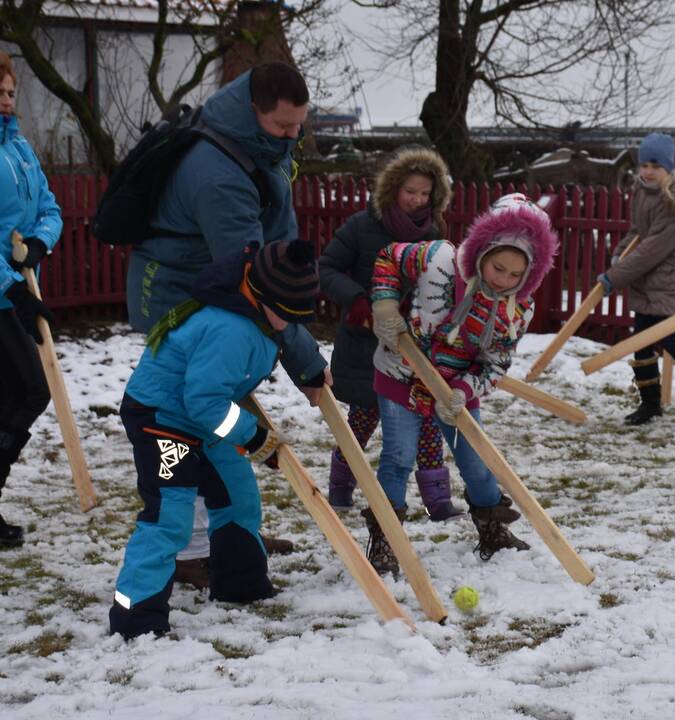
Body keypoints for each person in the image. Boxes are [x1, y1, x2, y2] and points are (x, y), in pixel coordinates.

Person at [124, 62, 324, 585]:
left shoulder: (259, 144)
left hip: (223, 293)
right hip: (180, 299)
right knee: (188, 422)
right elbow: (260, 282)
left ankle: (234, 534)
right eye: (283, 126)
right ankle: (189, 549)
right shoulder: (215, 174)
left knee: (214, 421)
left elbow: (275, 254)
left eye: (298, 124)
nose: (292, 135)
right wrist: (304, 361)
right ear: (253, 111)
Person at [109, 239, 319, 639]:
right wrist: (254, 437)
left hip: (200, 419)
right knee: (170, 514)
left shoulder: (256, 319)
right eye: (285, 314)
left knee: (237, 493)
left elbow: (216, 397)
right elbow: (203, 401)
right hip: (162, 419)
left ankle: (240, 584)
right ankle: (135, 617)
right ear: (259, 296)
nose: (287, 323)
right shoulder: (231, 329)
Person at [364, 193, 557, 575]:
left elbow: (495, 362)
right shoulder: (437, 259)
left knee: (478, 462)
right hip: (403, 374)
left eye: (515, 274)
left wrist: (462, 392)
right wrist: (384, 304)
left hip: (455, 391)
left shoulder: (519, 307)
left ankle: (492, 529)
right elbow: (389, 257)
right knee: (398, 457)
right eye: (497, 267)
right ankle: (387, 538)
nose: (503, 279)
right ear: (483, 250)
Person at [318, 148, 461, 519]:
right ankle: (341, 488)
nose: (417, 199)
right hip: (365, 342)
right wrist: (358, 301)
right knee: (363, 419)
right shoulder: (361, 226)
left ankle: (439, 501)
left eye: (425, 193)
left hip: (414, 347)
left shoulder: (433, 232)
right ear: (393, 189)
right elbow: (328, 269)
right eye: (410, 191)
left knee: (426, 419)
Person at [596, 132, 675, 427]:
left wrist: (616, 276)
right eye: (644, 165)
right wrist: (619, 254)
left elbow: (653, 249)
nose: (648, 171)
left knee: (672, 341)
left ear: (668, 168)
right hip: (646, 281)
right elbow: (638, 233)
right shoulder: (642, 190)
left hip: (668, 281)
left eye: (655, 166)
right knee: (642, 343)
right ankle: (650, 405)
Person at [0, 52, 62, 547]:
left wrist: (40, 242)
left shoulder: (19, 147)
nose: (5, 102)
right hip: (4, 296)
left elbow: (49, 207)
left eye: (9, 93)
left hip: (18, 290)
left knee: (12, 397)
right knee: (31, 391)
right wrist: (11, 286)